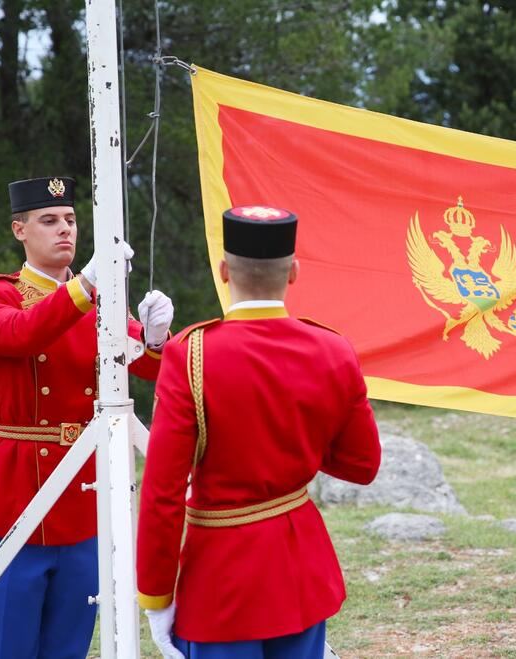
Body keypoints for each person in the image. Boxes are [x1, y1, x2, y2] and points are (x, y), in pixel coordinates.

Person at [136, 205, 381, 659]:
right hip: (300, 572)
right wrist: (298, 437)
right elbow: (363, 465)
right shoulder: (333, 349)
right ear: (294, 273)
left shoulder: (191, 354)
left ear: (225, 271)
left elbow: (162, 492)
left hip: (220, 580)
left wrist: (156, 598)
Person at [0, 176, 174, 658]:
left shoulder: (96, 301)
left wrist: (158, 336)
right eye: (49, 220)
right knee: (2, 644)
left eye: (72, 221)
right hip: (17, 496)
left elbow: (147, 365)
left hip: (83, 497)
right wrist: (88, 285)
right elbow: (20, 335)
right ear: (20, 230)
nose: (65, 231)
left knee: (67, 644)